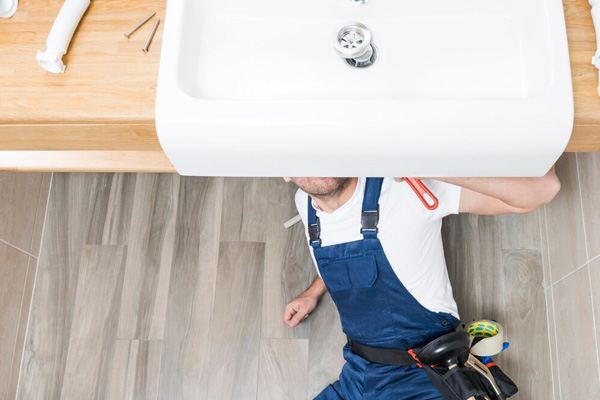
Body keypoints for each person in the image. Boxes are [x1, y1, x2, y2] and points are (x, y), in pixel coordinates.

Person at [283, 174, 561, 400]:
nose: (314, 162)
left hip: (424, 373)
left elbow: (544, 188)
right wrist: (314, 291)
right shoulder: (305, 203)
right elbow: (349, 246)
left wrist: (431, 168)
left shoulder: (406, 187)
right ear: (285, 173)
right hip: (358, 375)